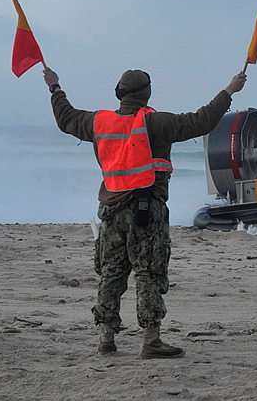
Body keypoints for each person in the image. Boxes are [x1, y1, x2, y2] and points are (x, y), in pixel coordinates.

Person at [43, 66, 246, 359]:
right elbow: (201, 121)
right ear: (147, 93)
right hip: (146, 210)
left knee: (111, 273)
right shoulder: (155, 122)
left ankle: (106, 339)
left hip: (110, 211)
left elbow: (66, 118)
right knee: (149, 272)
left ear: (119, 94)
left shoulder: (99, 121)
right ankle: (151, 341)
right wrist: (229, 90)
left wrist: (55, 88)